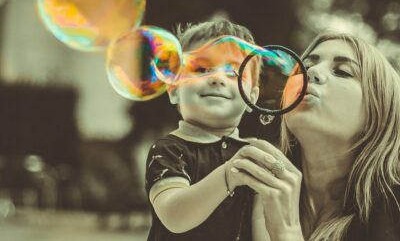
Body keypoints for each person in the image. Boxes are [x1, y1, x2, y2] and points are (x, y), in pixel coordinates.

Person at [228, 31, 400, 240]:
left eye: (342, 72)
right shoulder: (245, 189)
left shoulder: (393, 208)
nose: (312, 72)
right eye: (306, 67)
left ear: (378, 113)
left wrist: (286, 231)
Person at [145, 19, 261, 240]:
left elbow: (260, 227)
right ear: (174, 90)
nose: (217, 78)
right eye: (201, 69)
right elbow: (174, 216)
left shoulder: (254, 154)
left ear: (252, 98)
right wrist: (229, 174)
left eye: (234, 72)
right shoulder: (168, 150)